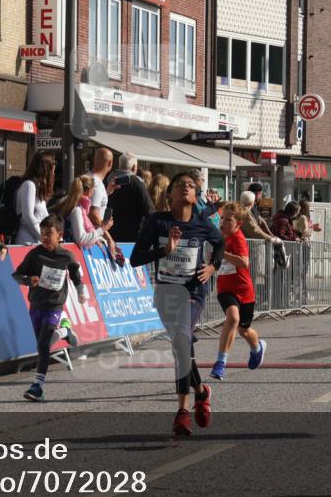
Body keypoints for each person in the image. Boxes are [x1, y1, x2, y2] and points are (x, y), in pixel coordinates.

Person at [131, 172, 223, 437]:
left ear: (195, 197)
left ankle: (182, 412)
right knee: (180, 348)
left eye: (191, 186)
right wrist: (164, 251)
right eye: (180, 184)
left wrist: (213, 266)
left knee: (181, 342)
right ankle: (201, 391)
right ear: (169, 194)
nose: (185, 187)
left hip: (192, 292)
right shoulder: (157, 222)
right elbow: (136, 258)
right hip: (166, 296)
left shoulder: (202, 223)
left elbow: (220, 243)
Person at [12, 214, 88, 401]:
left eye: (49, 233)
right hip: (36, 304)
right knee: (41, 343)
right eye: (42, 233)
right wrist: (28, 280)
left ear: (60, 234)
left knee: (44, 344)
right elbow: (17, 275)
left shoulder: (66, 256)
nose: (44, 237)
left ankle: (38, 386)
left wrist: (80, 292)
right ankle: (64, 332)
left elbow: (76, 275)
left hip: (54, 306)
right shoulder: (35, 254)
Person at [210, 202, 266, 381]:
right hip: (225, 289)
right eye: (222, 218)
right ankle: (220, 363)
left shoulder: (238, 238)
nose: (224, 222)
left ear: (239, 224)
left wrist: (222, 253)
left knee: (244, 330)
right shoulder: (218, 236)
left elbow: (244, 262)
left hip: (245, 291)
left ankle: (257, 348)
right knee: (233, 318)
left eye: (229, 220)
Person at [53, 175, 117, 253]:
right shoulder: (77, 211)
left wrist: (99, 238)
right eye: (94, 189)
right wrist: (102, 228)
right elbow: (82, 239)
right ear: (89, 191)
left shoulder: (82, 209)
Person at [107, 152, 155, 242]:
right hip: (131, 236)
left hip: (109, 234)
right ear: (134, 167)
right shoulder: (135, 182)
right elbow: (149, 209)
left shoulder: (108, 180)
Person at [15, 151, 56, 245]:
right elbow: (27, 217)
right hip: (27, 242)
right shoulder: (29, 185)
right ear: (45, 168)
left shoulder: (38, 188)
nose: (53, 171)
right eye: (52, 167)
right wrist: (44, 237)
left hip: (37, 241)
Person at [86, 147, 115, 228]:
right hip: (93, 236)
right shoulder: (97, 183)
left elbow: (93, 201)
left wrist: (107, 191)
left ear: (94, 160)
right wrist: (109, 238)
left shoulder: (88, 176)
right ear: (110, 163)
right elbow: (93, 214)